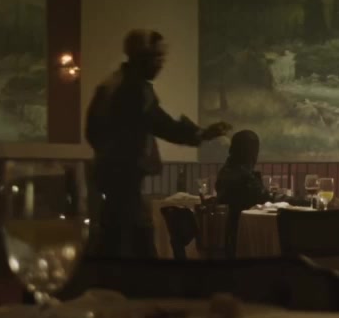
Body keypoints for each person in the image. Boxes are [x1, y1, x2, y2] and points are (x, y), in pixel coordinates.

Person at [86, 29, 231, 258]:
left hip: (113, 180)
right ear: (141, 57)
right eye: (157, 57)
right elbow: (162, 124)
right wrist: (201, 134)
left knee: (116, 239)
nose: (161, 63)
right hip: (124, 181)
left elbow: (92, 132)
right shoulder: (133, 88)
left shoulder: (114, 83)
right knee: (135, 243)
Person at [214, 130, 268, 258]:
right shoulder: (243, 176)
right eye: (254, 150)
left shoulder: (227, 171)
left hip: (231, 235)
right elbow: (264, 197)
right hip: (244, 236)